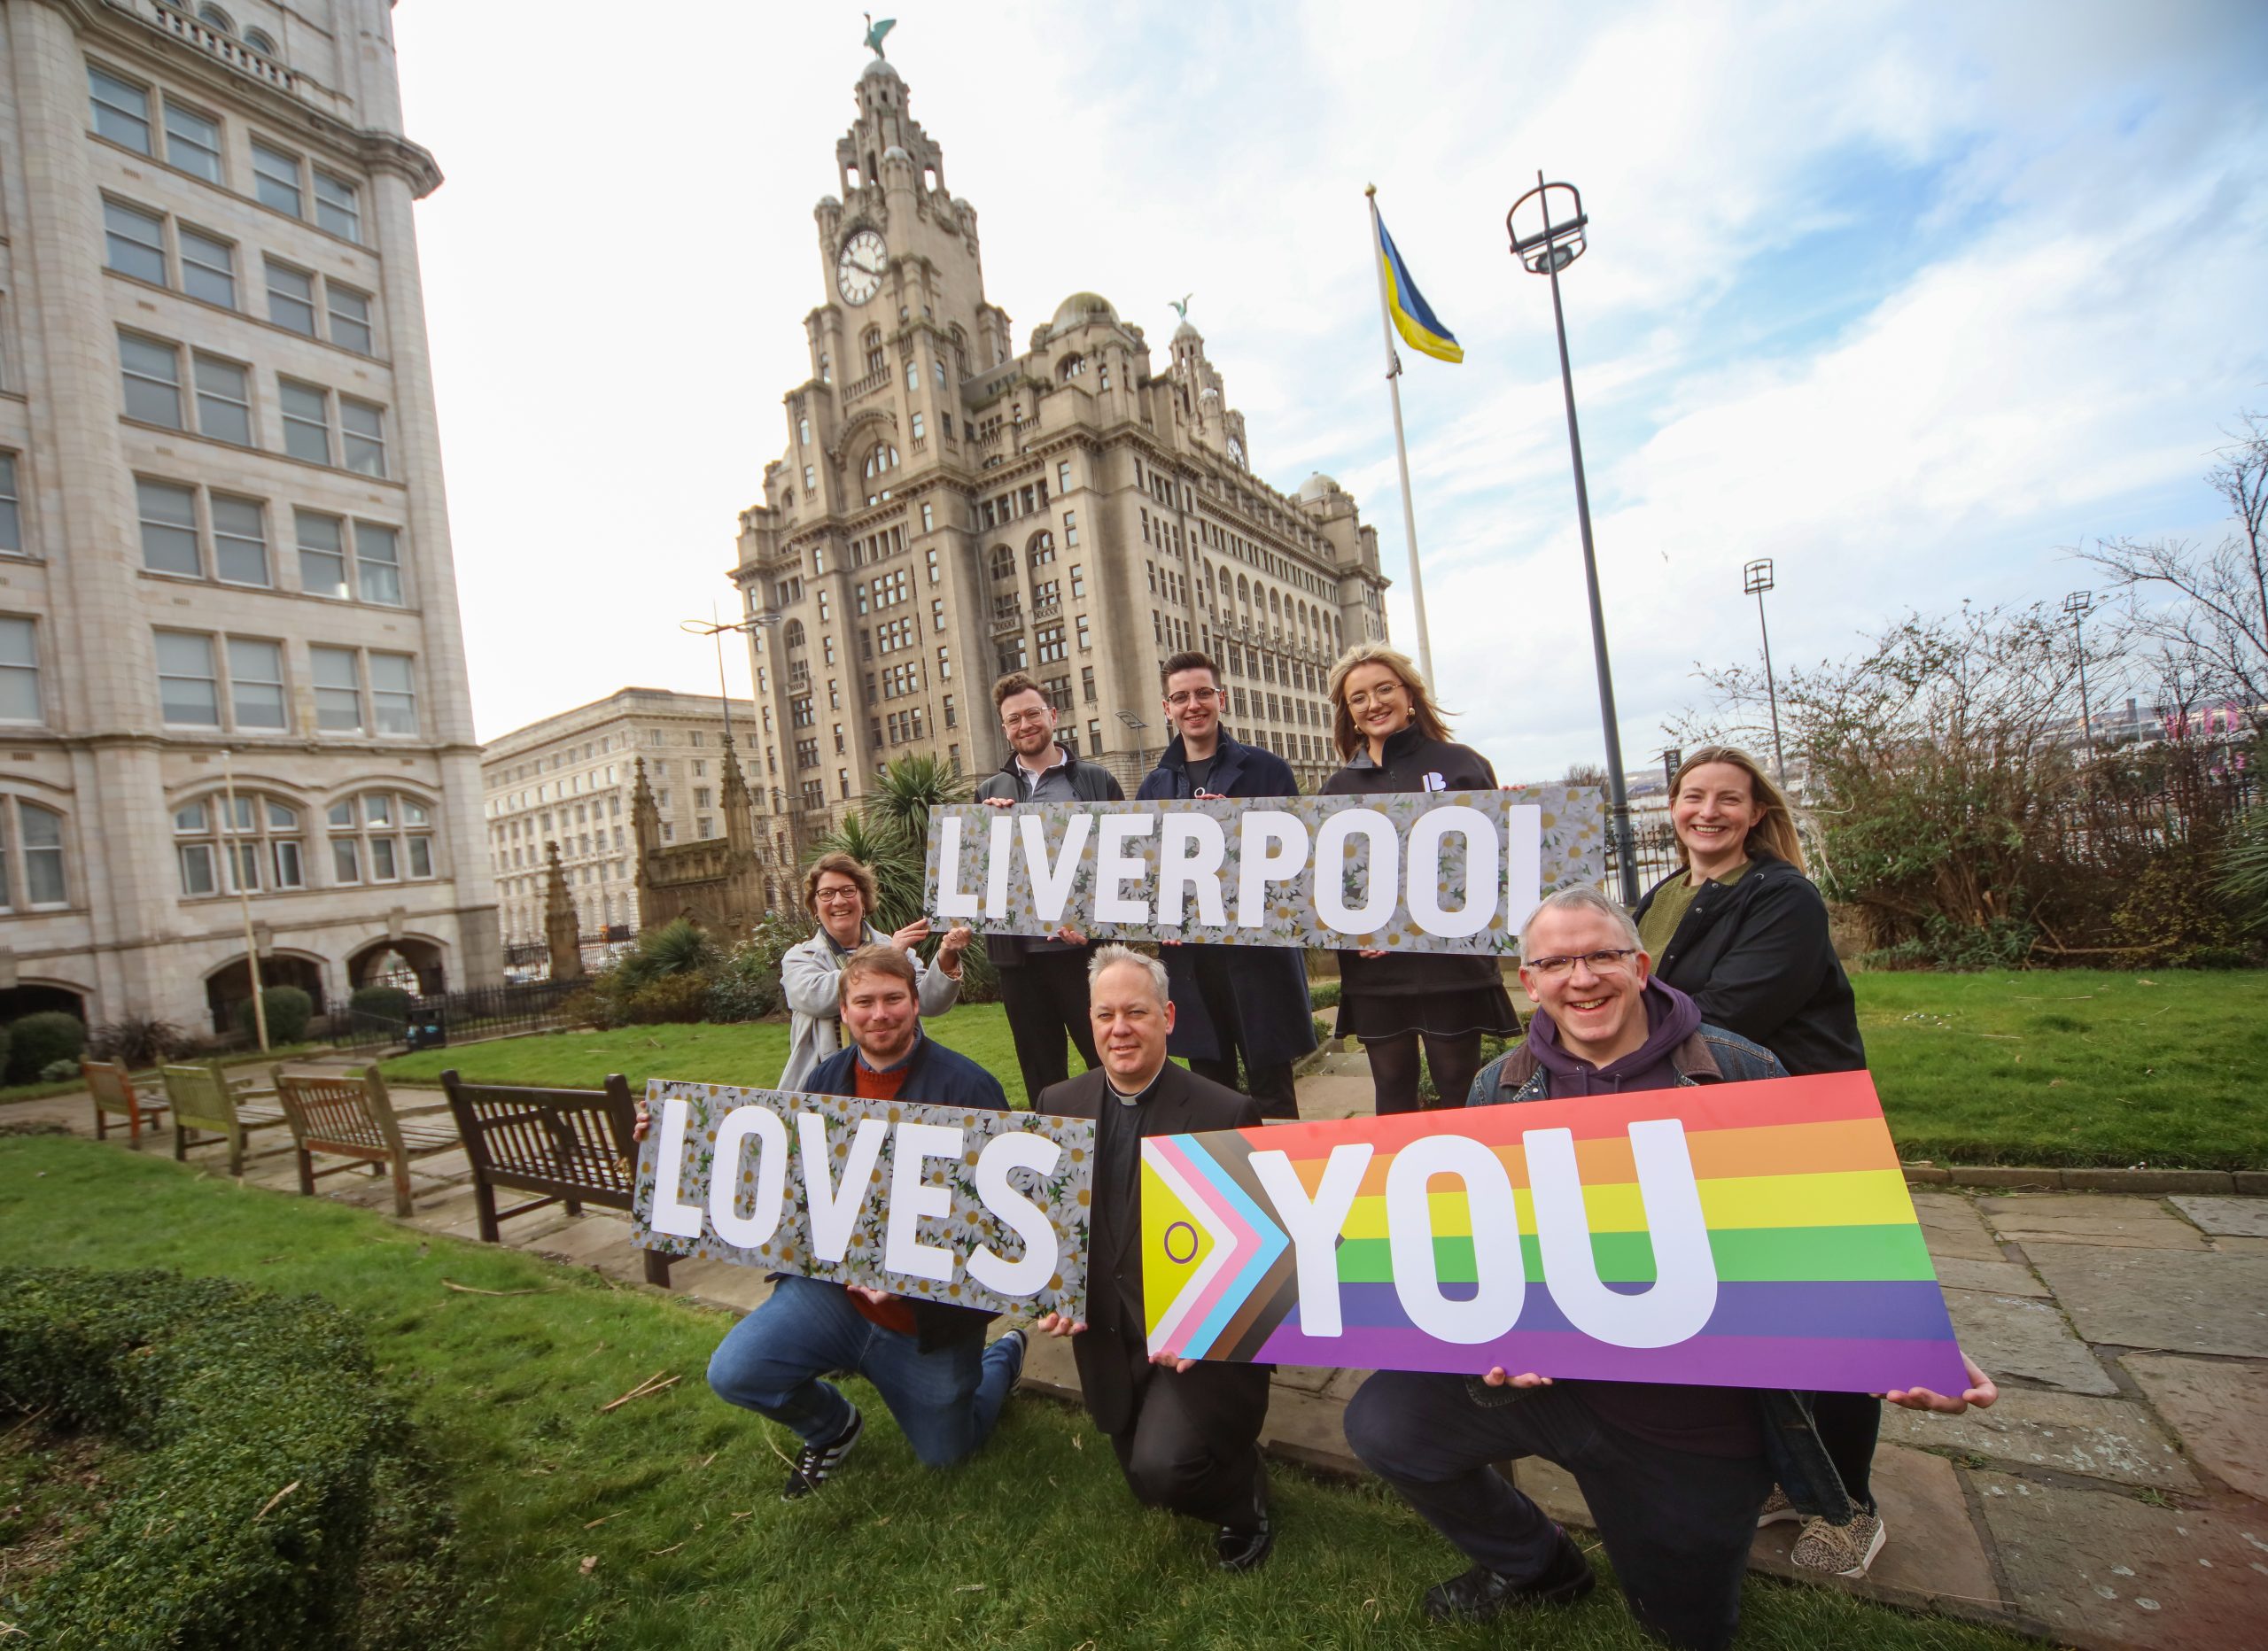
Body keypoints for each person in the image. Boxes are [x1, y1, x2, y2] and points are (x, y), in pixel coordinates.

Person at [1343, 888, 1996, 1650]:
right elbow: (1486, 1248)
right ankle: (1537, 1566)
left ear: (1640, 964)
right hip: (1555, 1392)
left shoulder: (1742, 1068)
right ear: (1529, 982)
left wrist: (1909, 1341)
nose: (1580, 978)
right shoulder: (1499, 1087)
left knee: (1684, 1630)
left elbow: (1823, 1236)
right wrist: (1492, 1336)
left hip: (1692, 1425)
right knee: (1384, 1422)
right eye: (1555, 962)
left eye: (1600, 956)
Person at [641, 944, 1028, 1500]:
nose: (879, 1014)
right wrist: (669, 1141)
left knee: (949, 1453)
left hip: (924, 1320)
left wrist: (910, 1292)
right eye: (863, 1002)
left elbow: (999, 1229)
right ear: (843, 1013)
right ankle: (832, 1427)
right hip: (831, 1300)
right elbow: (779, 1184)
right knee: (735, 1372)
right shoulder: (824, 1079)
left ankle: (1003, 1357)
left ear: (915, 1003)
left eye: (893, 999)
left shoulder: (968, 1089)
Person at [1634, 746, 1881, 1577]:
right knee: (1753, 1317)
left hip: (1798, 1127)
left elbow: (1729, 1011)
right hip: (1710, 1126)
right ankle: (1791, 1474)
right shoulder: (1663, 896)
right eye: (1693, 796)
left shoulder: (1782, 897)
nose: (1709, 811)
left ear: (1756, 811)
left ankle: (1851, 1508)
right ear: (1672, 807)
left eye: (1727, 799)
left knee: (1829, 1318)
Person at [1034, 945, 1276, 1571]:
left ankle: (1246, 1494)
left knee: (1164, 1473)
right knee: (1147, 1487)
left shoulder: (1226, 1112)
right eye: (1105, 1014)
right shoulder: (1058, 1102)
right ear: (1088, 1020)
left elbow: (1267, 1258)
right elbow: (1049, 1227)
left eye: (1136, 1013)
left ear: (1168, 1016)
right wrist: (1050, 1292)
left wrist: (1216, 1326)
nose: (1119, 1029)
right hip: (1108, 1334)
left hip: (1194, 1343)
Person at [1319, 642, 1519, 1115]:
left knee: (1457, 1085)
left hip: (1452, 967)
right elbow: (1328, 886)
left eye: (1384, 688)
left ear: (1410, 694)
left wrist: (1520, 821)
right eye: (1359, 697)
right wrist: (1349, 929)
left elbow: (1497, 866)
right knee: (1391, 1090)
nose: (1374, 704)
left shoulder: (1462, 765)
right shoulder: (1337, 789)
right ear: (1349, 712)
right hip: (1376, 975)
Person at [1136, 649, 1316, 1120]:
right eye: (1181, 697)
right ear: (1167, 708)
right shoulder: (1154, 787)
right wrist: (1160, 919)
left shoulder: (1267, 770)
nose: (1193, 705)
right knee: (1208, 1090)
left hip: (1257, 961)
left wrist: (1237, 830)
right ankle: (1219, 1190)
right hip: (1192, 964)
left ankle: (1280, 1183)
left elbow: (1297, 863)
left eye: (1202, 693)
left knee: (1273, 1090)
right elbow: (1144, 876)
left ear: (1222, 698)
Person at [975, 671, 1124, 1104]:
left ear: (1053, 715)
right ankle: (1059, 1162)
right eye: (1013, 719)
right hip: (1020, 962)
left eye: (1032, 713)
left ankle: (1124, 1151)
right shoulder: (990, 791)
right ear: (1004, 730)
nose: (1025, 725)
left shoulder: (1095, 781)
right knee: (1042, 1076)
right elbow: (981, 876)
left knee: (1110, 1062)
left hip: (1084, 955)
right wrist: (985, 827)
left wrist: (1096, 929)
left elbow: (1126, 865)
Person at [778, 850, 971, 1091]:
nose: (838, 901)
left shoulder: (897, 948)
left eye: (848, 891)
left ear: (864, 900)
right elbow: (814, 998)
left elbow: (930, 1003)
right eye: (826, 894)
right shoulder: (800, 957)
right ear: (815, 907)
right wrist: (889, 957)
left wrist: (947, 955)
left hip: (899, 1077)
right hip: (824, 1086)